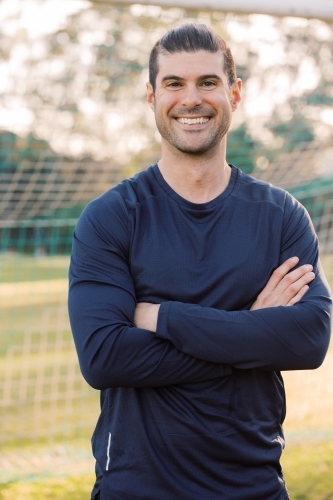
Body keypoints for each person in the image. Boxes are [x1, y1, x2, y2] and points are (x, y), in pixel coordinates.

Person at [68, 22, 332, 500]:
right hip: (137, 486)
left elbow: (310, 341)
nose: (191, 99)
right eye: (174, 84)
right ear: (152, 96)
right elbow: (105, 358)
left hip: (253, 485)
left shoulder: (281, 216)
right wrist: (251, 330)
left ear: (234, 92)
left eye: (207, 82)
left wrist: (164, 317)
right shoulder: (111, 217)